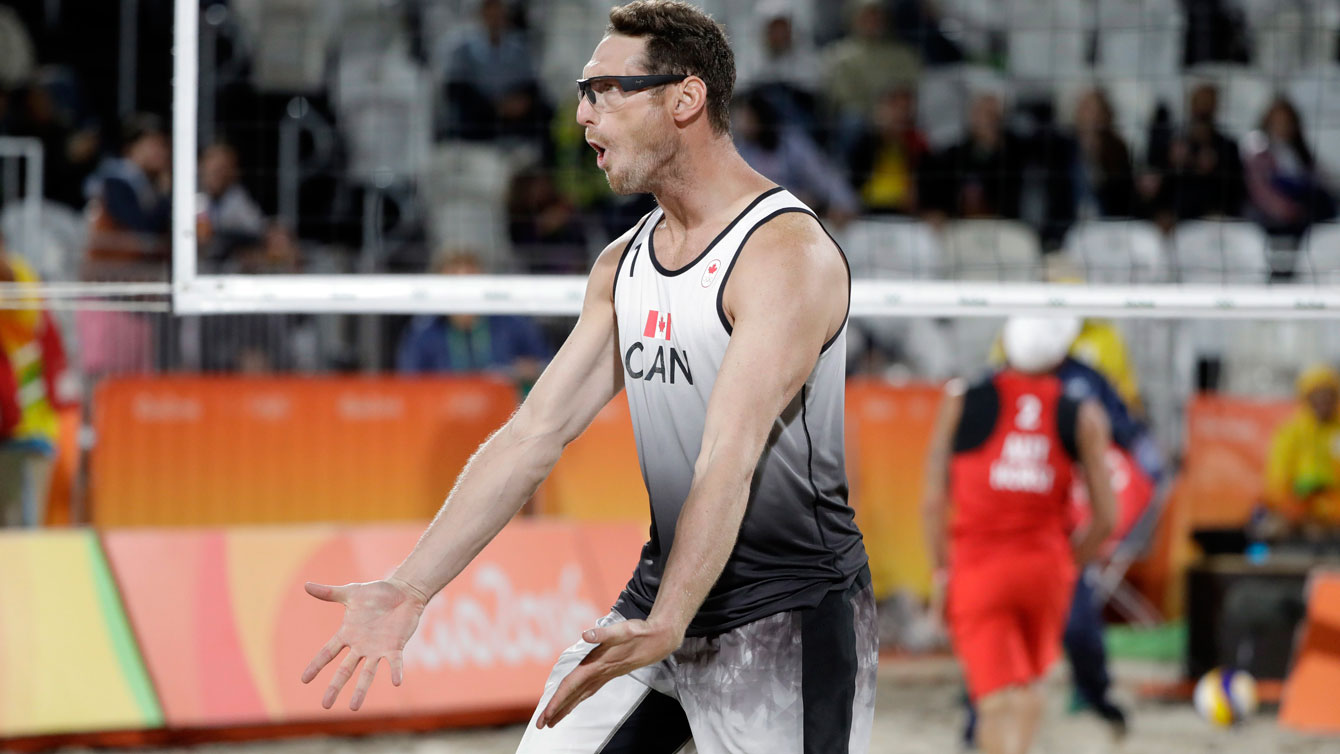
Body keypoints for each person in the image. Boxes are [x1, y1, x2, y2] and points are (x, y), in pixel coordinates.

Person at [302, 3, 874, 751]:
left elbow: (727, 458)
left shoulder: (782, 254)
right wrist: (411, 587)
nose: (581, 115)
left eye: (604, 90)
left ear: (685, 99)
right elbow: (531, 436)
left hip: (788, 610)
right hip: (661, 594)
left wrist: (670, 620)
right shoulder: (623, 263)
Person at [923, 317, 1117, 754]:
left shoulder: (959, 400)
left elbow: (933, 502)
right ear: (1061, 356)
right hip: (1044, 568)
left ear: (1005, 347)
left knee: (993, 701)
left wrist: (940, 574)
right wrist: (1067, 563)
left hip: (979, 567)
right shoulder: (1082, 413)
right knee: (1028, 686)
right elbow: (1106, 517)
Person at [396, 249, 551, 391]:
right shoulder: (424, 333)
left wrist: (525, 371)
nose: (464, 295)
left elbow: (551, 368)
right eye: (455, 287)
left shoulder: (511, 324)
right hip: (445, 415)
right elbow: (408, 387)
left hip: (507, 412)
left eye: (471, 284)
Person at [1241, 97, 1336, 238]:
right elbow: (1260, 191)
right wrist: (1287, 211)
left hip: (1305, 210)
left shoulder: (1300, 153)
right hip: (1274, 215)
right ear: (1268, 123)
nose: (1283, 126)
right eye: (1278, 122)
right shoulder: (1259, 152)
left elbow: (1322, 178)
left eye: (1287, 122)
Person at [1263, 365, 1340, 530]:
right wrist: (1294, 496)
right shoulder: (1291, 431)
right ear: (1307, 398)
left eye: (1329, 395)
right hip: (1298, 509)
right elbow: (1277, 478)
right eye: (1318, 395)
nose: (1324, 401)